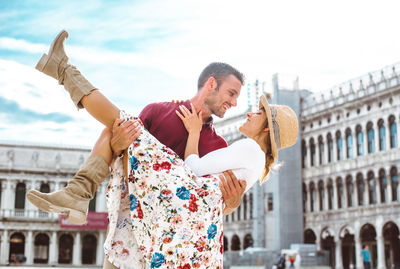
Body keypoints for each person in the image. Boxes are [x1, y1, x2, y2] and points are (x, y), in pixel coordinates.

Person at [27, 30, 299, 268]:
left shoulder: (220, 145)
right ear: (211, 84)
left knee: (116, 121)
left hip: (166, 239)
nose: (236, 104)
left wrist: (232, 203)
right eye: (231, 93)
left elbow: (206, 202)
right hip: (130, 226)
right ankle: (79, 191)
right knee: (114, 127)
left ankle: (62, 71)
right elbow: (120, 151)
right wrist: (119, 144)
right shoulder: (158, 111)